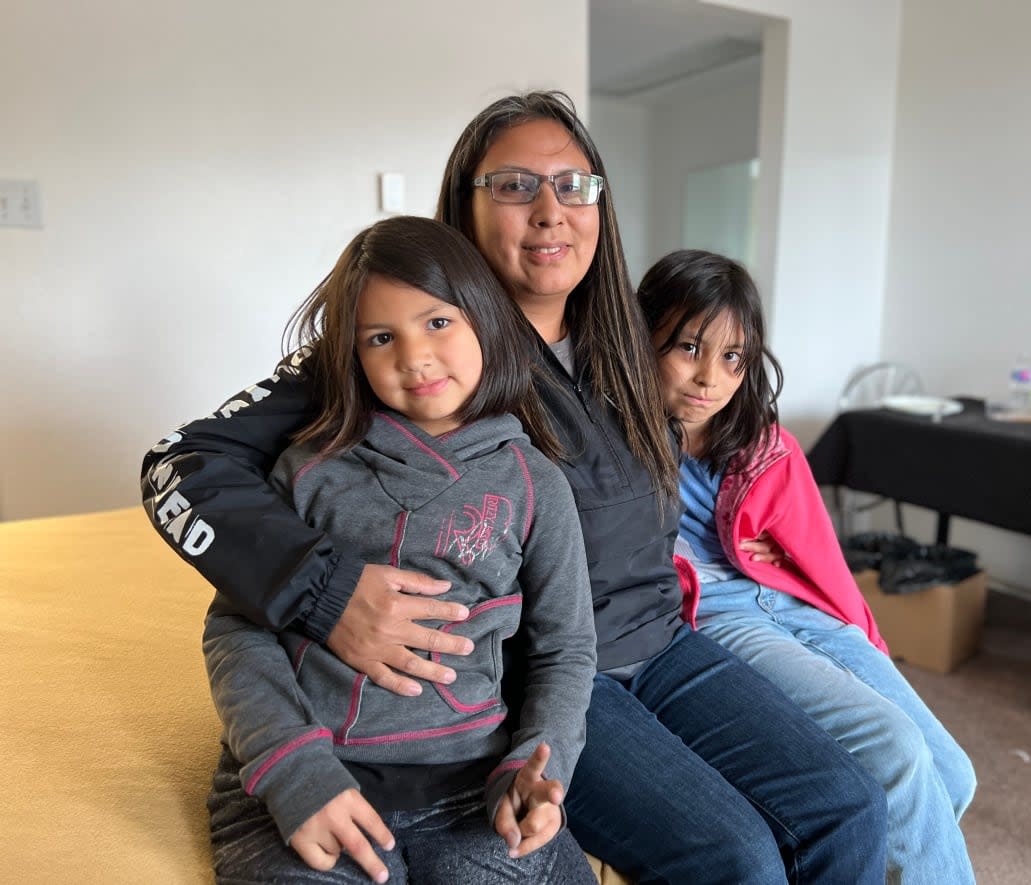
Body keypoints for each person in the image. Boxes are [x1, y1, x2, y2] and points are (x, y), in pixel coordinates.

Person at [143, 91, 887, 884]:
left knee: (851, 806)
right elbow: (177, 467)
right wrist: (323, 588)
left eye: (575, 185)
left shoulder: (627, 340)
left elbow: (713, 399)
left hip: (663, 642)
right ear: (462, 208)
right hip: (543, 672)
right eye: (513, 185)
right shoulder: (416, 347)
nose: (550, 211)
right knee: (737, 854)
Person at [203, 215, 599, 884]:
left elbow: (566, 647)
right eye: (381, 338)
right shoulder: (309, 469)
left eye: (438, 322)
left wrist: (539, 762)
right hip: (312, 773)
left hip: (473, 786)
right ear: (352, 355)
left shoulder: (536, 484)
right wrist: (294, 770)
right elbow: (236, 627)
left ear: (485, 319)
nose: (413, 358)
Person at [637, 248, 977, 885]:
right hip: (716, 613)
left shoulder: (765, 445)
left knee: (956, 773)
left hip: (790, 601)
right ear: (641, 337)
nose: (710, 377)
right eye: (688, 347)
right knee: (894, 751)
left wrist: (866, 643)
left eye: (732, 357)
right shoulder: (617, 439)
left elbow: (825, 566)